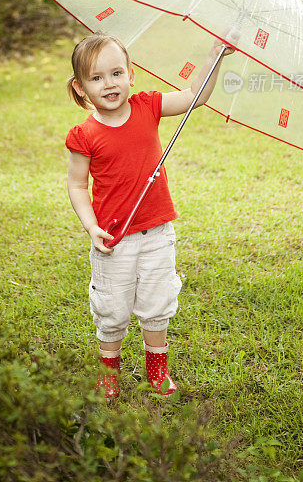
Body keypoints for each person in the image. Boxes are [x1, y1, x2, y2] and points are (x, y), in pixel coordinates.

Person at [65, 32, 235, 398]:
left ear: (131, 74)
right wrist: (92, 227)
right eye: (96, 78)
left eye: (116, 73)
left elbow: (195, 96)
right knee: (113, 308)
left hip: (157, 234)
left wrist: (216, 55)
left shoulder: (147, 106)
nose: (109, 84)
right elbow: (77, 186)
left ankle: (157, 369)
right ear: (80, 89)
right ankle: (109, 372)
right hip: (114, 239)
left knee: (157, 304)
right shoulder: (84, 134)